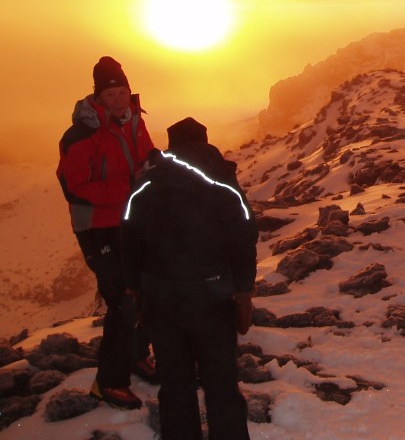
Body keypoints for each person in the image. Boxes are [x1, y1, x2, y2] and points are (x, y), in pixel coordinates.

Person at [122, 117, 258, 440]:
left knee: (175, 383)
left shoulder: (145, 187)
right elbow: (244, 238)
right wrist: (243, 293)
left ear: (171, 148)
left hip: (161, 300)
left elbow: (129, 239)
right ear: (206, 143)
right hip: (213, 298)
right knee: (221, 382)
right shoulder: (224, 184)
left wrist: (136, 291)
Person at [57, 56, 158, 409]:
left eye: (122, 91)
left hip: (129, 220)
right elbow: (74, 186)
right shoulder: (81, 134)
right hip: (97, 228)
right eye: (110, 93)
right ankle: (109, 383)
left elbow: (145, 158)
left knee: (147, 286)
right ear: (98, 96)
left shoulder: (133, 121)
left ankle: (134, 354)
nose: (117, 99)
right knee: (123, 300)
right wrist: (128, 188)